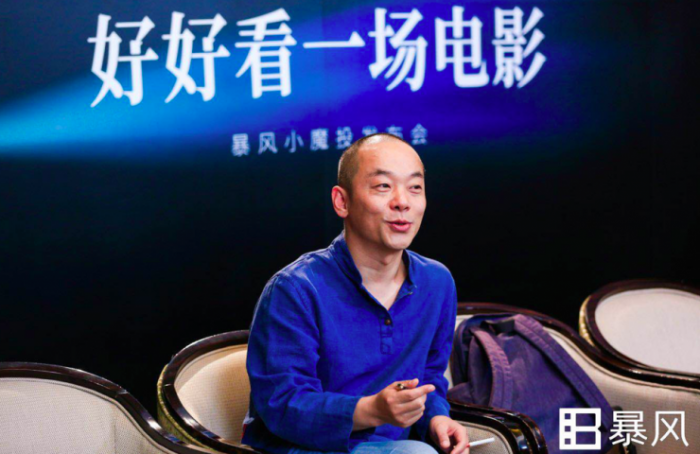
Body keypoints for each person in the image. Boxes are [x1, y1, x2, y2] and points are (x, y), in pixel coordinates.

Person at [242, 133, 469, 454]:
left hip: (397, 445)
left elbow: (429, 377)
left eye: (415, 187)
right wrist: (372, 410)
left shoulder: (437, 282)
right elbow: (282, 403)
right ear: (342, 201)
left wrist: (436, 418)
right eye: (383, 186)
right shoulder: (295, 288)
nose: (402, 202)